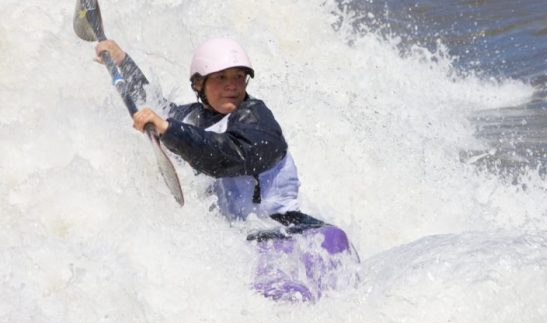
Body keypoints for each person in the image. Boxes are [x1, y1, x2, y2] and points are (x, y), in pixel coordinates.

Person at [95, 38, 358, 302]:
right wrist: (121, 61)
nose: (232, 85)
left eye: (239, 77)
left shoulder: (257, 119)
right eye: (221, 77)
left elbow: (224, 156)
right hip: (246, 240)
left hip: (297, 235)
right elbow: (154, 105)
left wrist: (168, 130)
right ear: (199, 84)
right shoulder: (193, 117)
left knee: (294, 293)